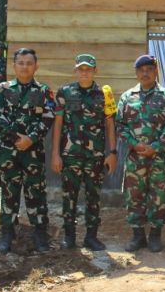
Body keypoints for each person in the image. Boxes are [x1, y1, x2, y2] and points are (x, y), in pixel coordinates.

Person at [0, 48, 56, 253]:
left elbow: (48, 117)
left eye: (29, 63)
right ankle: (7, 232)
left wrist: (31, 139)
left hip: (33, 152)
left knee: (35, 192)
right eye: (21, 63)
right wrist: (16, 138)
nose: (25, 67)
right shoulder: (2, 89)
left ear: (36, 66)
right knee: (9, 191)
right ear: (14, 65)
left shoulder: (44, 91)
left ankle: (39, 232)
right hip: (8, 152)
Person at [50, 54, 118, 251]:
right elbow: (59, 122)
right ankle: (69, 237)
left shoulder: (104, 94)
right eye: (81, 69)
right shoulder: (65, 92)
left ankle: (91, 237)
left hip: (95, 157)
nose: (85, 72)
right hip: (70, 155)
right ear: (75, 70)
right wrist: (55, 153)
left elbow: (110, 123)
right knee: (68, 197)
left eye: (89, 69)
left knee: (93, 197)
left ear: (95, 71)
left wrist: (112, 152)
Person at [117, 55, 165, 253]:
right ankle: (138, 235)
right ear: (136, 72)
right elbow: (121, 125)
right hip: (135, 158)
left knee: (158, 196)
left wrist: (157, 146)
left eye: (149, 69)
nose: (145, 73)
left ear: (156, 71)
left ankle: (155, 235)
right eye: (141, 69)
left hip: (158, 157)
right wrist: (133, 144)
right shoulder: (127, 97)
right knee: (135, 196)